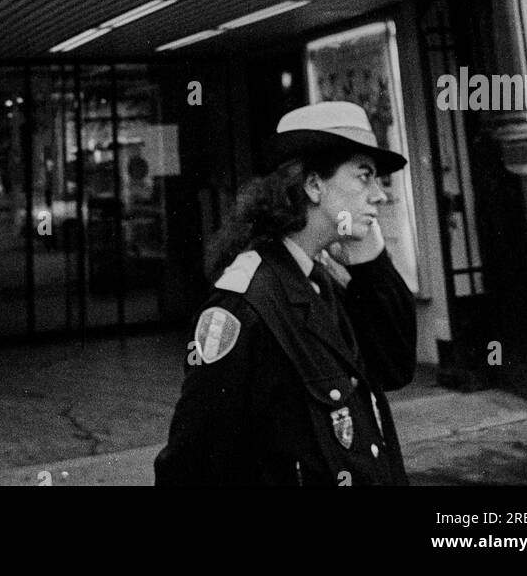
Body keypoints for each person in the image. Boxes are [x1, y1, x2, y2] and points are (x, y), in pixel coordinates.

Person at [155, 102, 417, 487]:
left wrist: (371, 262)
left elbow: (394, 366)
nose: (380, 195)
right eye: (365, 177)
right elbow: (192, 462)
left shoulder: (322, 277)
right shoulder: (246, 303)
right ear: (313, 185)